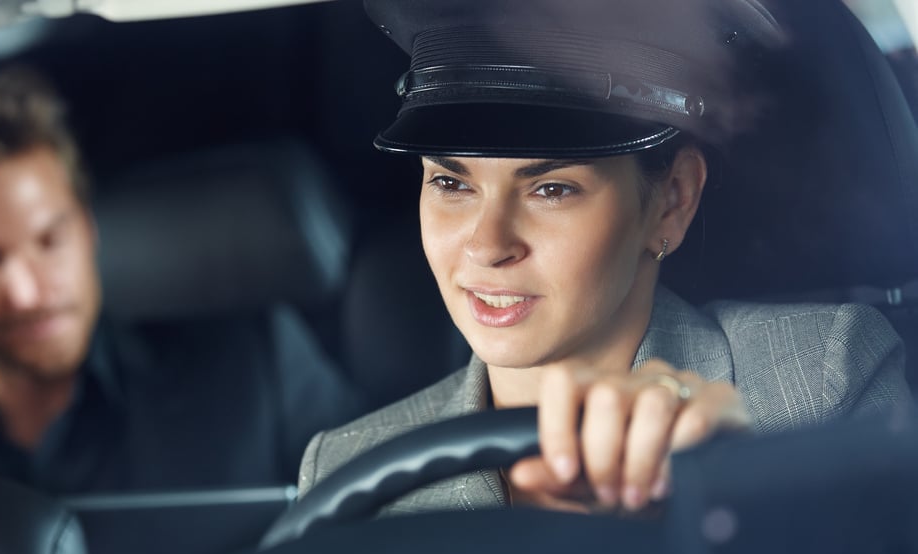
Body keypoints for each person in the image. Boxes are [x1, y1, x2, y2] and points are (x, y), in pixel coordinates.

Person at [298, 0, 912, 515]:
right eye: (452, 184)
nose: (487, 246)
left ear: (671, 200)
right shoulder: (349, 475)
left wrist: (727, 500)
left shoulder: (821, 382)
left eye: (551, 189)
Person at [0, 69, 360, 495]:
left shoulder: (259, 367)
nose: (30, 292)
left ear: (87, 228)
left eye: (50, 240)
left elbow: (393, 538)